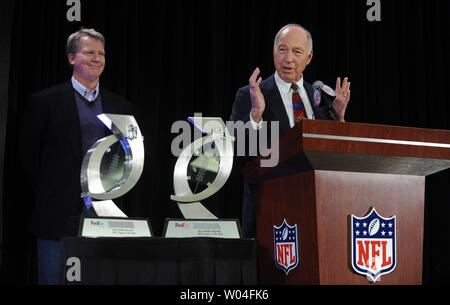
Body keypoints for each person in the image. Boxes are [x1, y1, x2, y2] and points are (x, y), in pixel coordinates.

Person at [19, 28, 133, 284]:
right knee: (53, 278)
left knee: (98, 278)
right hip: (56, 212)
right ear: (72, 59)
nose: (97, 58)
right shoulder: (44, 102)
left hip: (104, 209)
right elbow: (28, 157)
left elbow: (129, 156)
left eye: (101, 53)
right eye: (89, 52)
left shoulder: (121, 106)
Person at [229, 24, 351, 238]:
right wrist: (255, 116)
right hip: (270, 212)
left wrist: (339, 120)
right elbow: (236, 151)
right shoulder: (251, 95)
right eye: (283, 49)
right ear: (274, 51)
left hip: (317, 209)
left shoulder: (321, 99)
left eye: (297, 51)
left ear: (309, 57)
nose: (288, 59)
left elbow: (335, 156)